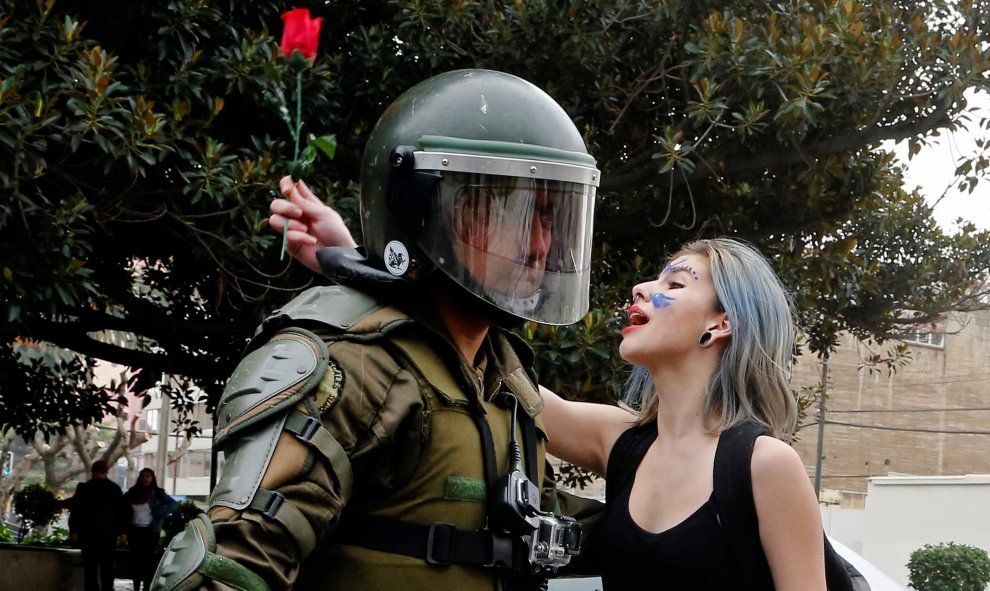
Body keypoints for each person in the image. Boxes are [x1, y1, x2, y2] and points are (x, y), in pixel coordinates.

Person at [152, 69, 602, 591]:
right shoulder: (353, 364)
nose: (541, 246)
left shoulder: (500, 380)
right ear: (428, 212)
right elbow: (228, 564)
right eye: (517, 215)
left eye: (553, 218)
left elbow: (534, 513)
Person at [273, 197, 832, 588]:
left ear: (721, 325)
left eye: (675, 283)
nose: (643, 287)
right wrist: (354, 262)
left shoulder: (763, 465)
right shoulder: (624, 442)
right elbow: (465, 364)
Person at [68, 459, 127, 591]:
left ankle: (102, 588)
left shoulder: (87, 488)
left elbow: (121, 512)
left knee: (98, 568)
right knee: (96, 568)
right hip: (99, 534)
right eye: (98, 472)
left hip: (97, 534)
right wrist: (74, 531)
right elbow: (77, 511)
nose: (99, 475)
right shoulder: (112, 489)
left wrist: (74, 531)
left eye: (101, 472)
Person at [124, 468, 177, 591]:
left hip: (151, 531)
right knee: (136, 561)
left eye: (148, 476)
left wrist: (160, 512)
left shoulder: (157, 493)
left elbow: (173, 505)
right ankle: (136, 587)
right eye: (143, 476)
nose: (145, 479)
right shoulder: (132, 492)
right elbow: (122, 506)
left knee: (147, 562)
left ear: (152, 478)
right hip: (134, 531)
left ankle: (146, 588)